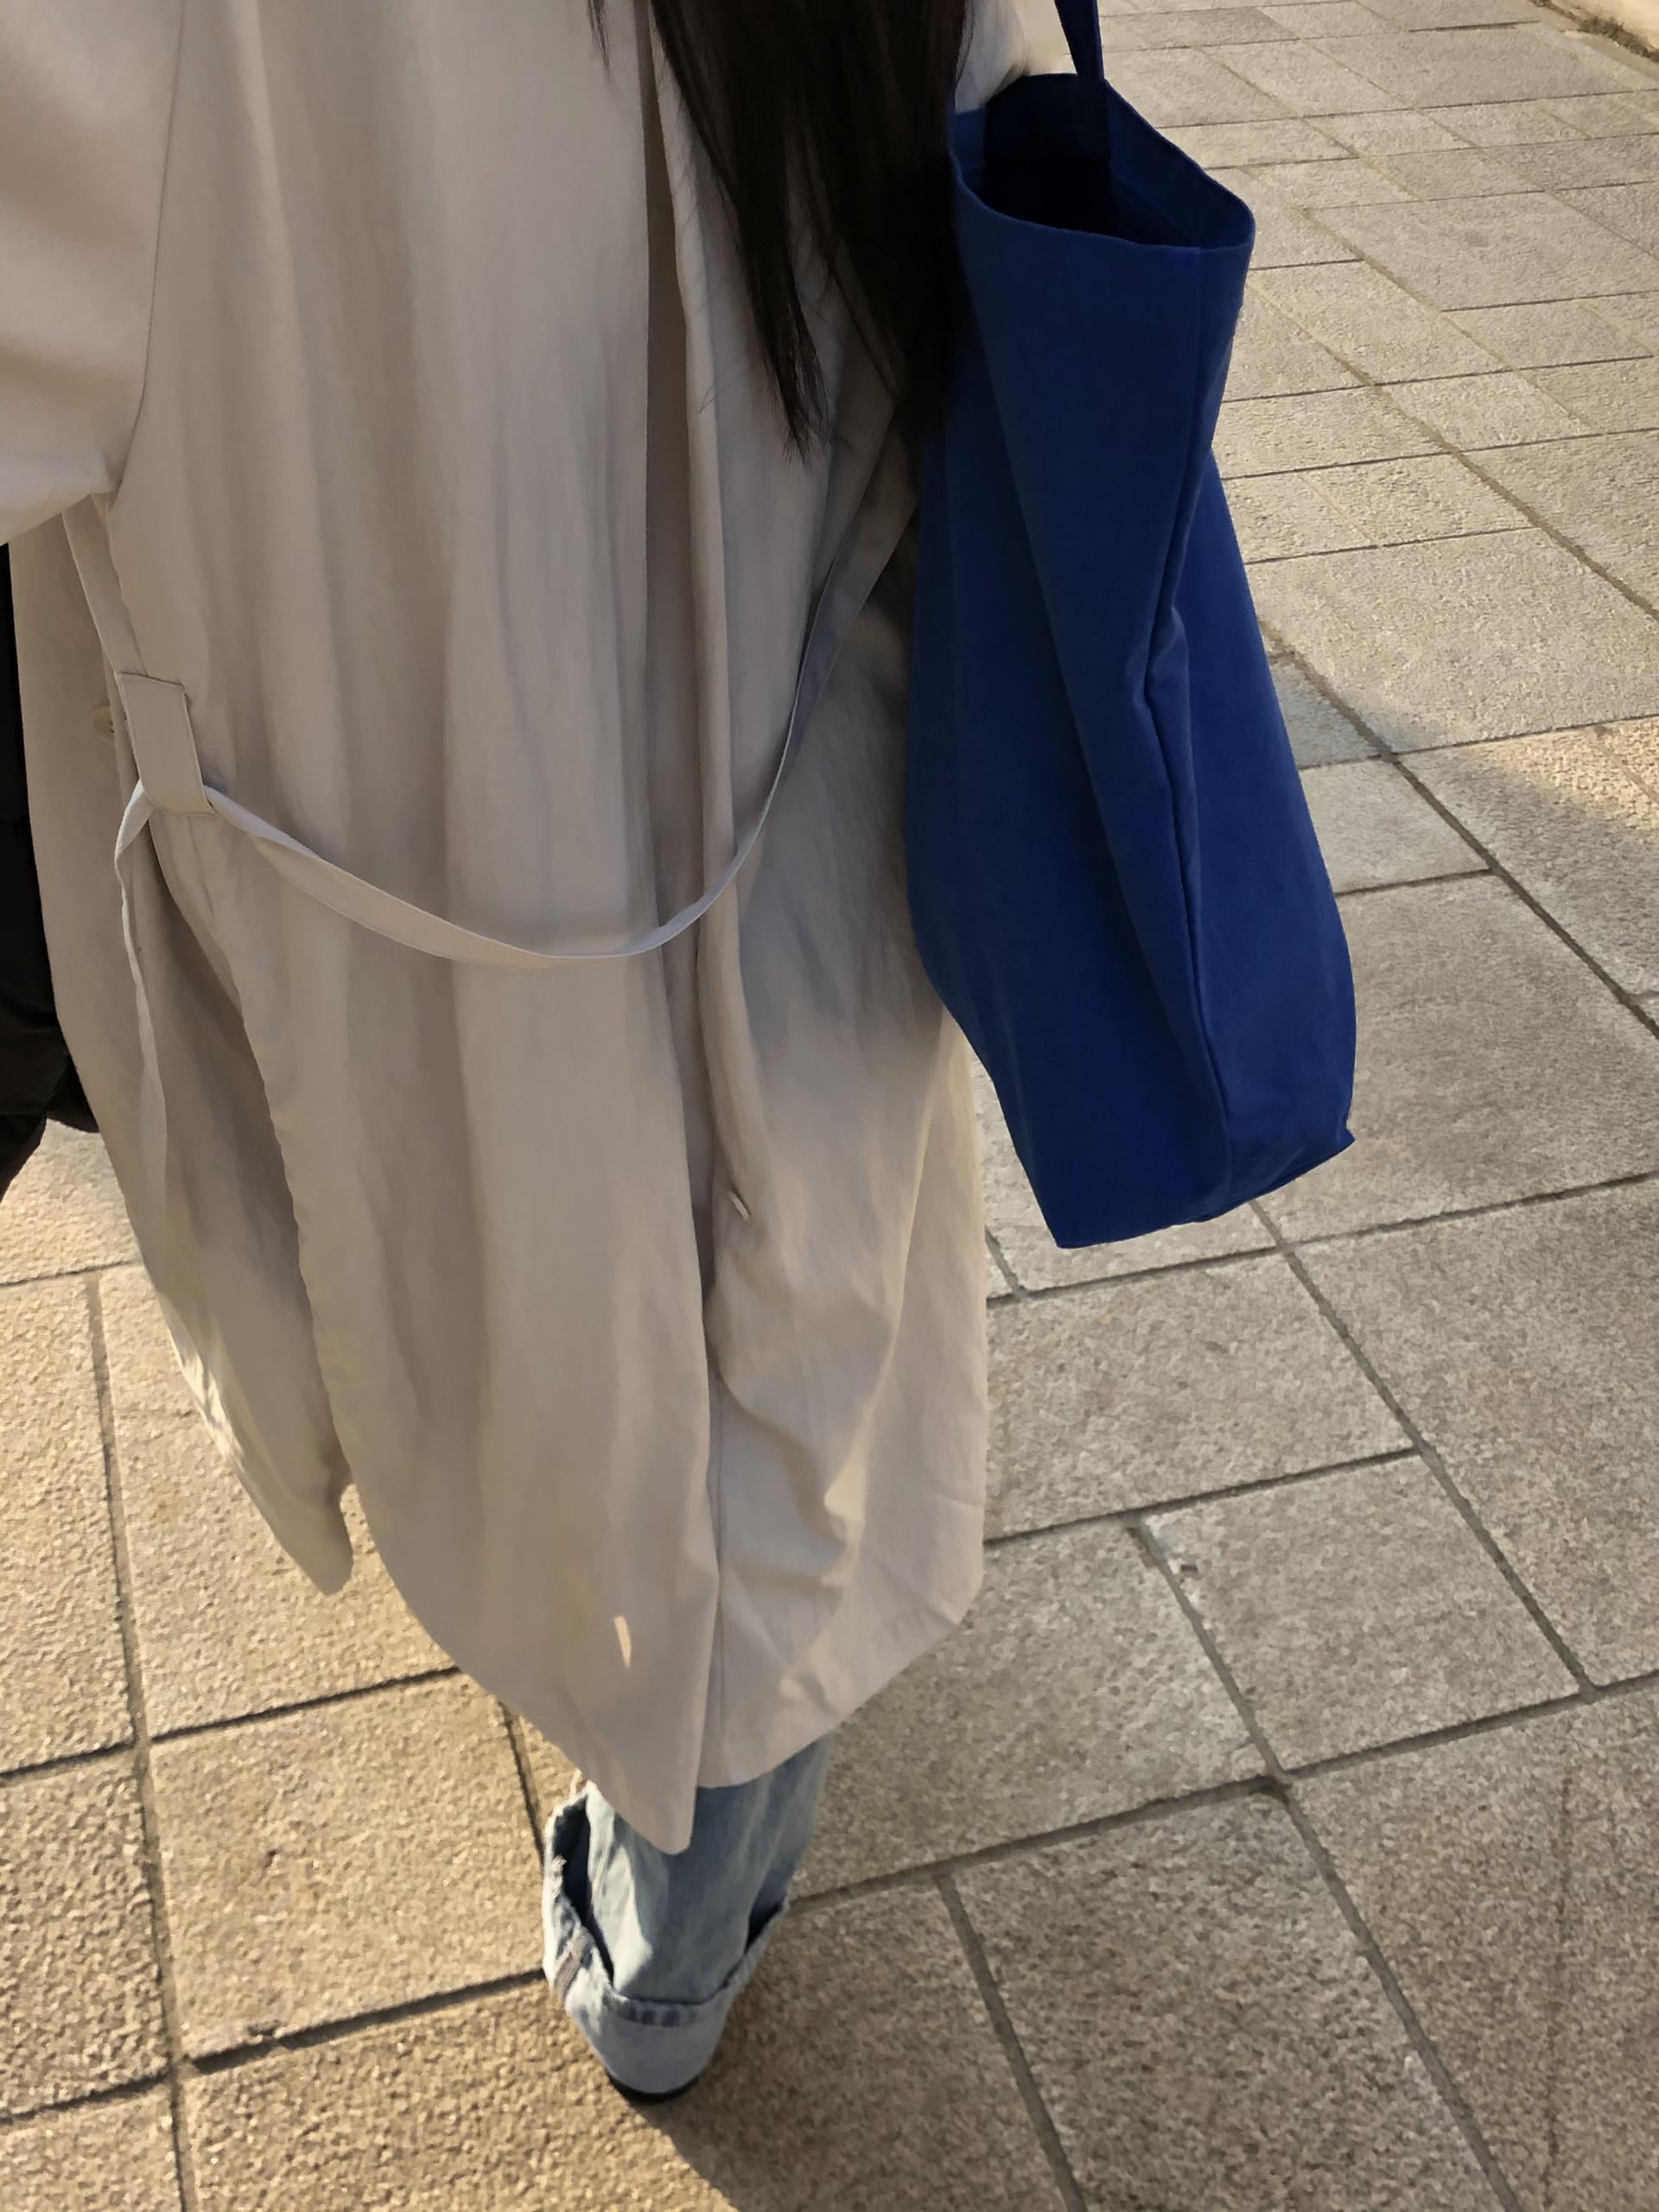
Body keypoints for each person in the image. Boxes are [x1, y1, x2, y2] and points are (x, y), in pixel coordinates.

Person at [0, 0, 1071, 2099]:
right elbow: (1015, 181)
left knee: (573, 1379)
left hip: (431, 865)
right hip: (830, 777)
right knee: (795, 1364)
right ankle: (677, 1960)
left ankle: (662, 1940)